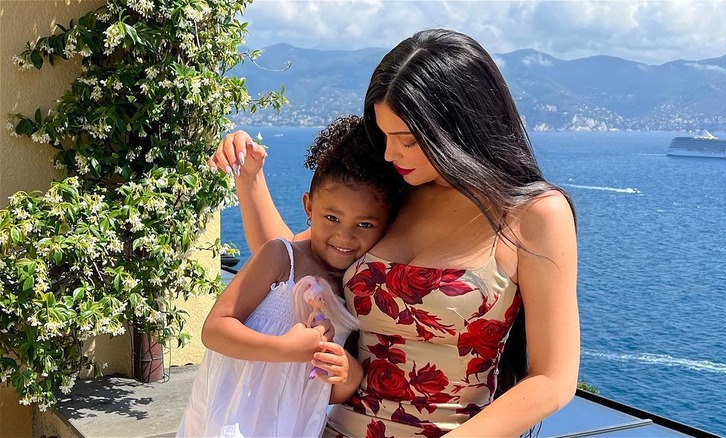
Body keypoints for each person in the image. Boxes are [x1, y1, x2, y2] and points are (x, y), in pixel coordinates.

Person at [211, 29, 579, 437]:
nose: (389, 154)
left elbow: (553, 379)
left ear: (458, 129)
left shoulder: (532, 214)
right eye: (385, 136)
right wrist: (249, 177)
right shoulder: (396, 191)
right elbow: (292, 260)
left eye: (406, 140)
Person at [178, 115, 404, 437]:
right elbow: (214, 330)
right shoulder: (280, 257)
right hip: (231, 420)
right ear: (309, 208)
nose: (345, 236)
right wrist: (285, 348)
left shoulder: (352, 291)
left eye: (365, 224)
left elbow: (325, 392)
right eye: (332, 218)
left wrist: (350, 374)